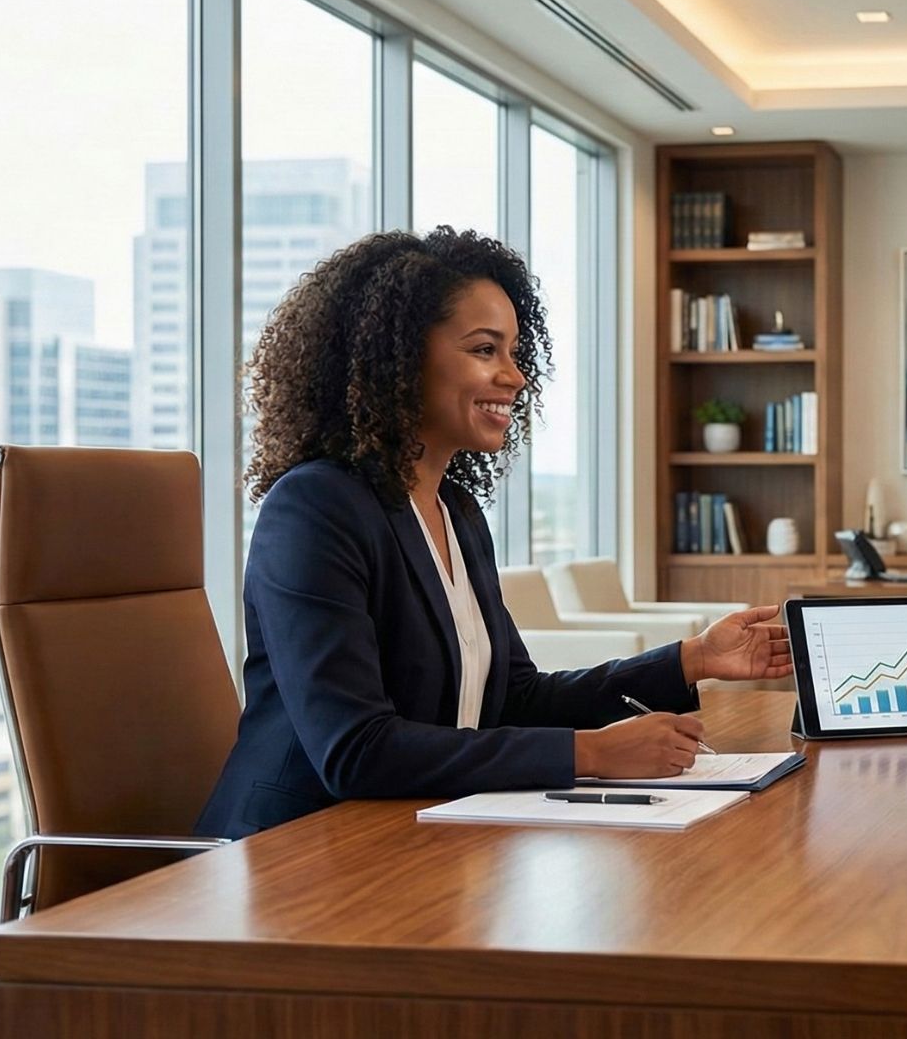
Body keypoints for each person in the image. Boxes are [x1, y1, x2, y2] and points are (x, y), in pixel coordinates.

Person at [197, 227, 791, 839]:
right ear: (396, 359)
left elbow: (514, 699)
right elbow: (355, 749)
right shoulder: (316, 507)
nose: (515, 376)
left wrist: (693, 659)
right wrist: (590, 753)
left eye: (514, 352)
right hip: (292, 847)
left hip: (412, 832)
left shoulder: (454, 510)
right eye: (485, 349)